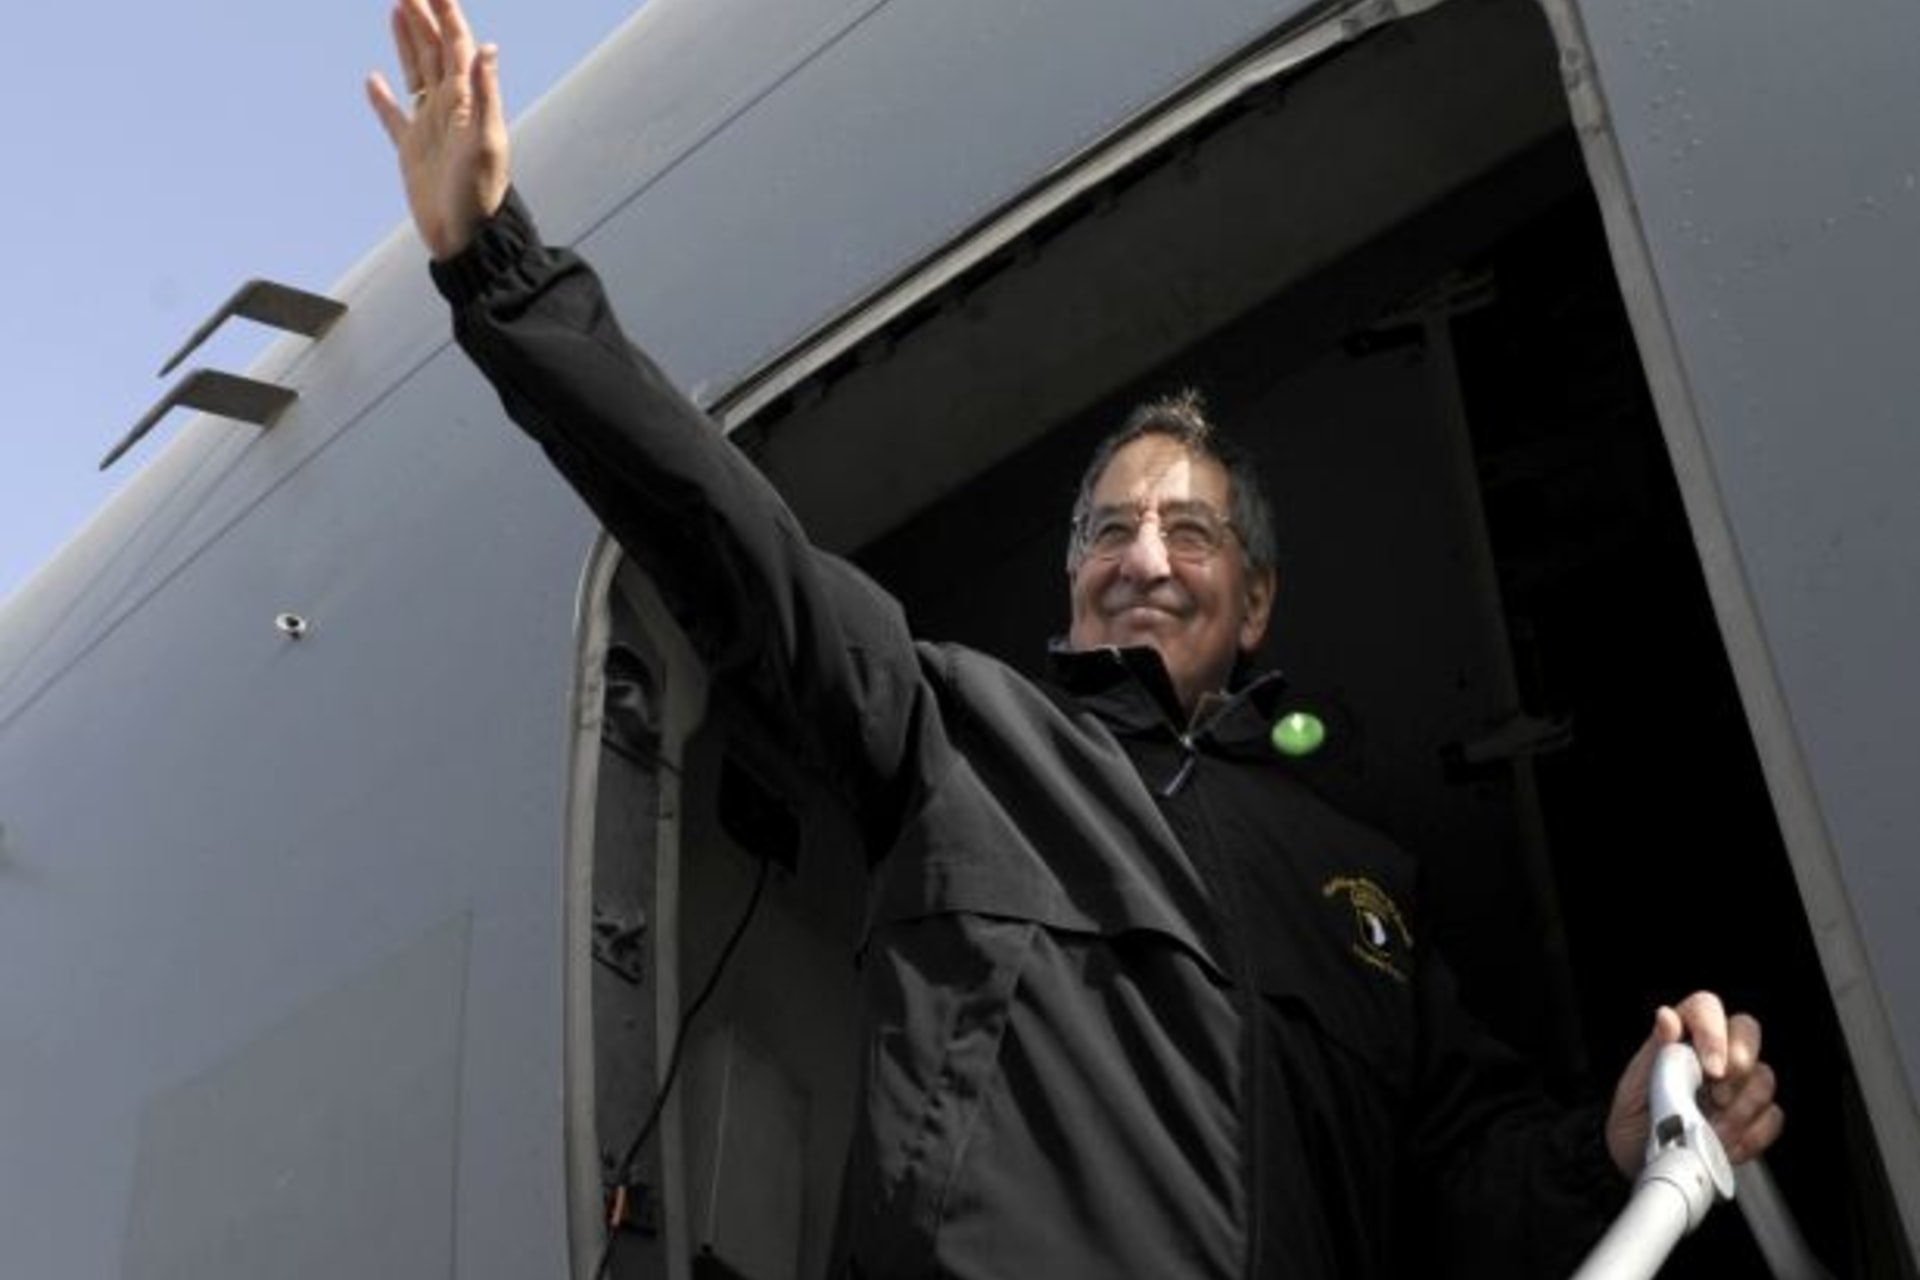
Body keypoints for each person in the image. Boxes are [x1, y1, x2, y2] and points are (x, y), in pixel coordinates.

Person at [368, 2, 1784, 1274]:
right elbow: (731, 545)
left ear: (1257, 598)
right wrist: (499, 267)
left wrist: (1603, 1148)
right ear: (1069, 582)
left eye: (1191, 534)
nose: (1145, 560)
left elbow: (1467, 1198)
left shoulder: (1372, 899)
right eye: (1108, 531)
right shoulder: (960, 737)